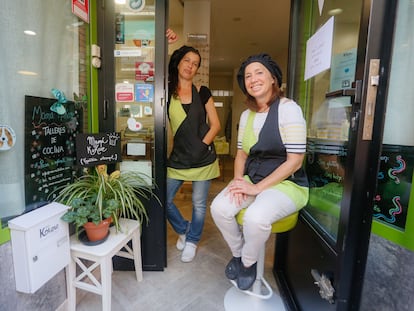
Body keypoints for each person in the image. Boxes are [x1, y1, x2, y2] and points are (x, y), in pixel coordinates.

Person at [210, 53, 309, 290]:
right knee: (219, 208)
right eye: (247, 76)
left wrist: (256, 188)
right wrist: (236, 181)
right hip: (252, 178)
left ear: (273, 78)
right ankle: (238, 252)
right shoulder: (246, 115)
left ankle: (247, 262)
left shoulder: (289, 109)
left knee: (255, 218)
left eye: (259, 72)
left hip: (287, 183)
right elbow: (242, 154)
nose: (252, 79)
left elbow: (295, 161)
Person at [166, 45, 221, 262]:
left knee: (199, 204)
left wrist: (201, 146)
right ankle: (184, 229)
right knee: (164, 200)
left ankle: (192, 241)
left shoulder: (203, 92)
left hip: (203, 159)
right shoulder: (167, 92)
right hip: (178, 158)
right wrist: (167, 40)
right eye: (187, 60)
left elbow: (215, 125)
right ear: (178, 62)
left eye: (195, 63)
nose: (191, 65)